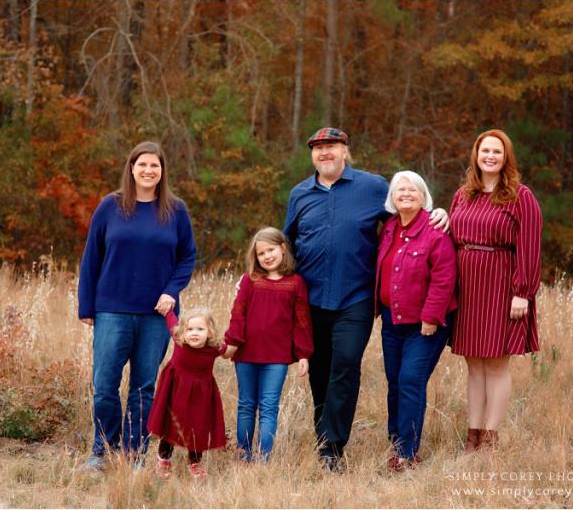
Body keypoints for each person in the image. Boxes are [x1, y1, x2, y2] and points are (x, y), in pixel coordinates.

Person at [283, 127, 448, 472]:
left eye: (332, 146)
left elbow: (406, 210)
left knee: (344, 365)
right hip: (311, 299)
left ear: (345, 150)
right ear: (312, 155)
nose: (325, 153)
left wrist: (440, 214)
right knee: (320, 372)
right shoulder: (300, 194)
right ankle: (323, 435)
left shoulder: (372, 187)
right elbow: (287, 244)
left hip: (355, 297)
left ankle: (332, 448)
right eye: (318, 148)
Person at [77, 141, 196, 471]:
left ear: (162, 172)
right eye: (142, 164)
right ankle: (102, 450)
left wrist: (172, 291)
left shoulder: (174, 210)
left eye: (154, 166)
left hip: (156, 315)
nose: (148, 170)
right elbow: (92, 259)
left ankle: (134, 455)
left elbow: (187, 256)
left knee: (144, 388)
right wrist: (86, 306)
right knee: (104, 386)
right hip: (111, 309)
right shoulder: (110, 207)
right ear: (131, 168)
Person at [449, 129, 542, 452]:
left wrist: (523, 292)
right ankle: (472, 434)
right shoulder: (464, 195)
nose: (490, 156)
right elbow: (450, 237)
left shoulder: (520, 196)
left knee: (497, 363)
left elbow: (529, 247)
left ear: (506, 158)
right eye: (485, 150)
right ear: (476, 155)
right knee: (473, 363)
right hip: (467, 287)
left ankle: (490, 437)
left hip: (501, 287)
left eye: (497, 152)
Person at [375, 171, 457, 472]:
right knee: (395, 382)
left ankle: (408, 453)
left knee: (410, 381)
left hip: (425, 325)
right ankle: (395, 442)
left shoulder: (435, 230)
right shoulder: (389, 228)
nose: (406, 194)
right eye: (400, 190)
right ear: (392, 198)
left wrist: (431, 317)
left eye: (412, 190)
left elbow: (444, 278)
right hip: (391, 320)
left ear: (424, 196)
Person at [223, 227, 314, 462]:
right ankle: (243, 456)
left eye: (271, 250)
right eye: (261, 253)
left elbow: (301, 321)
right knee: (245, 404)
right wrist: (231, 341)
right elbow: (238, 313)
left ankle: (264, 458)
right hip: (246, 353)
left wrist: (303, 354)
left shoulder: (295, 283)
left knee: (269, 406)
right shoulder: (250, 280)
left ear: (283, 248)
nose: (267, 256)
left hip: (277, 356)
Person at [146, 309, 227, 480]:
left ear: (210, 332)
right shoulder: (179, 340)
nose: (194, 333)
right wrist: (167, 306)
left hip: (201, 394)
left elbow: (233, 342)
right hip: (175, 390)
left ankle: (195, 462)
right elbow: (170, 318)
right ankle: (164, 460)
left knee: (198, 426)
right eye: (190, 329)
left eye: (200, 329)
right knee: (171, 426)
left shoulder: (215, 348)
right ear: (182, 331)